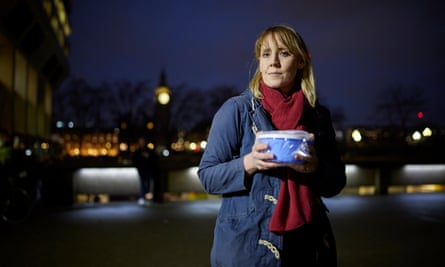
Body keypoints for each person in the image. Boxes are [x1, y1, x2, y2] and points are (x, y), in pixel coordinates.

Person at [198, 25, 346, 267]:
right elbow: (207, 176)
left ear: (300, 61)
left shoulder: (318, 116)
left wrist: (316, 167)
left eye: (284, 53)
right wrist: (249, 163)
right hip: (248, 245)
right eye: (266, 54)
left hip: (309, 243)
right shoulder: (237, 110)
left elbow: (336, 182)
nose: (273, 62)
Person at [132, 138, 158, 205]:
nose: (142, 142)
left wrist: (148, 157)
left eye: (143, 141)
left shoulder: (149, 150)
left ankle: (145, 198)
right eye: (141, 141)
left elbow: (154, 158)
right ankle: (143, 197)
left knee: (148, 184)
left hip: (148, 170)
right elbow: (135, 160)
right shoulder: (138, 151)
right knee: (143, 184)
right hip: (142, 170)